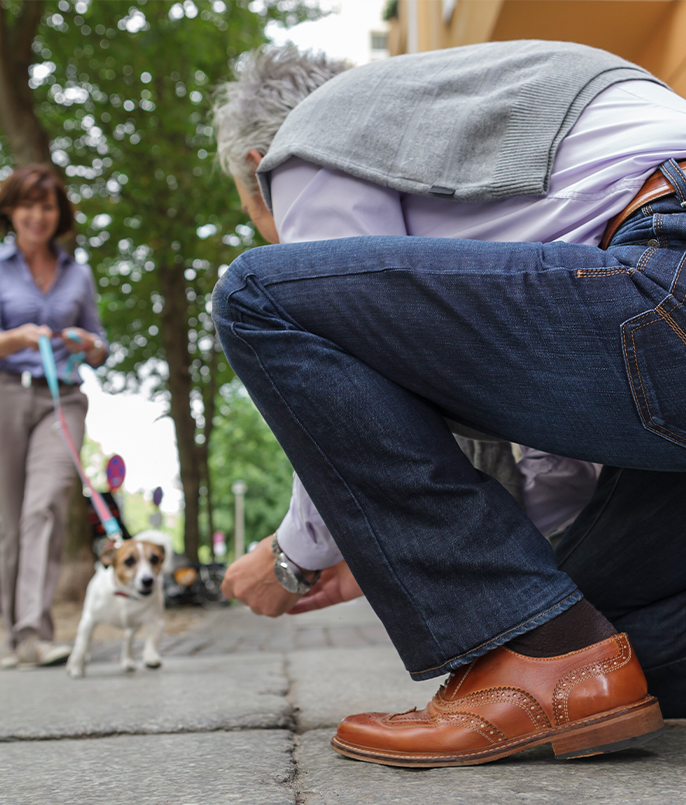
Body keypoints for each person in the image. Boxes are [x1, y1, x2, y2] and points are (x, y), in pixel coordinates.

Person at [212, 40, 686, 767]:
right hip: (659, 327)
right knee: (600, 656)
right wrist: (404, 540)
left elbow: (344, 337)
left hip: (667, 281)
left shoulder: (316, 131)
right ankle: (551, 659)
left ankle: (539, 655)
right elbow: (556, 438)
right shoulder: (461, 128)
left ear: (257, 170)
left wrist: (296, 557)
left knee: (258, 293)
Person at [0, 164, 107, 669]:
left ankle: (34, 633)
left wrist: (89, 345)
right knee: (12, 523)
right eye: (27, 204)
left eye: (47, 206)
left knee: (43, 506)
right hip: (3, 396)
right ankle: (15, 638)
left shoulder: (77, 272)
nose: (37, 215)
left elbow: (99, 343)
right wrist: (20, 336)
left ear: (58, 214)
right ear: (10, 210)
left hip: (62, 398)